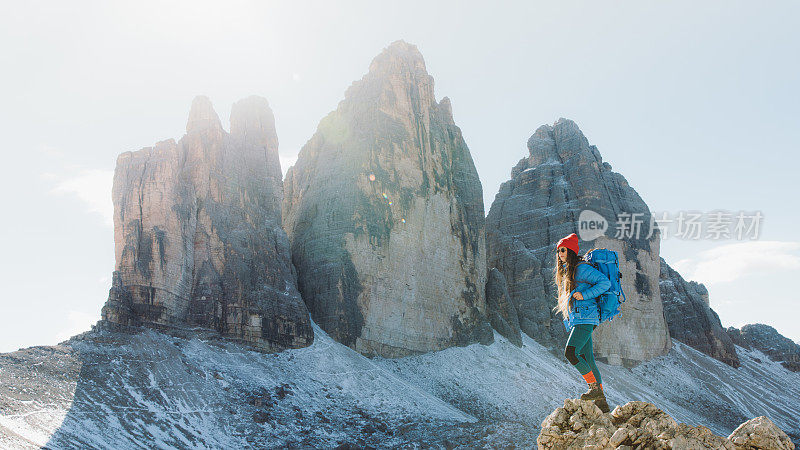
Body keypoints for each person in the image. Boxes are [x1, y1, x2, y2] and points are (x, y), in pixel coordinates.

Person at [552, 233, 612, 413]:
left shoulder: (581, 268)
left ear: (571, 250)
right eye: (558, 250)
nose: (560, 253)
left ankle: (593, 389)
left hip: (586, 318)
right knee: (587, 359)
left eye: (563, 250)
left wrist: (584, 295)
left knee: (571, 352)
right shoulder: (568, 271)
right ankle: (602, 403)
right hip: (581, 318)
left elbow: (605, 283)